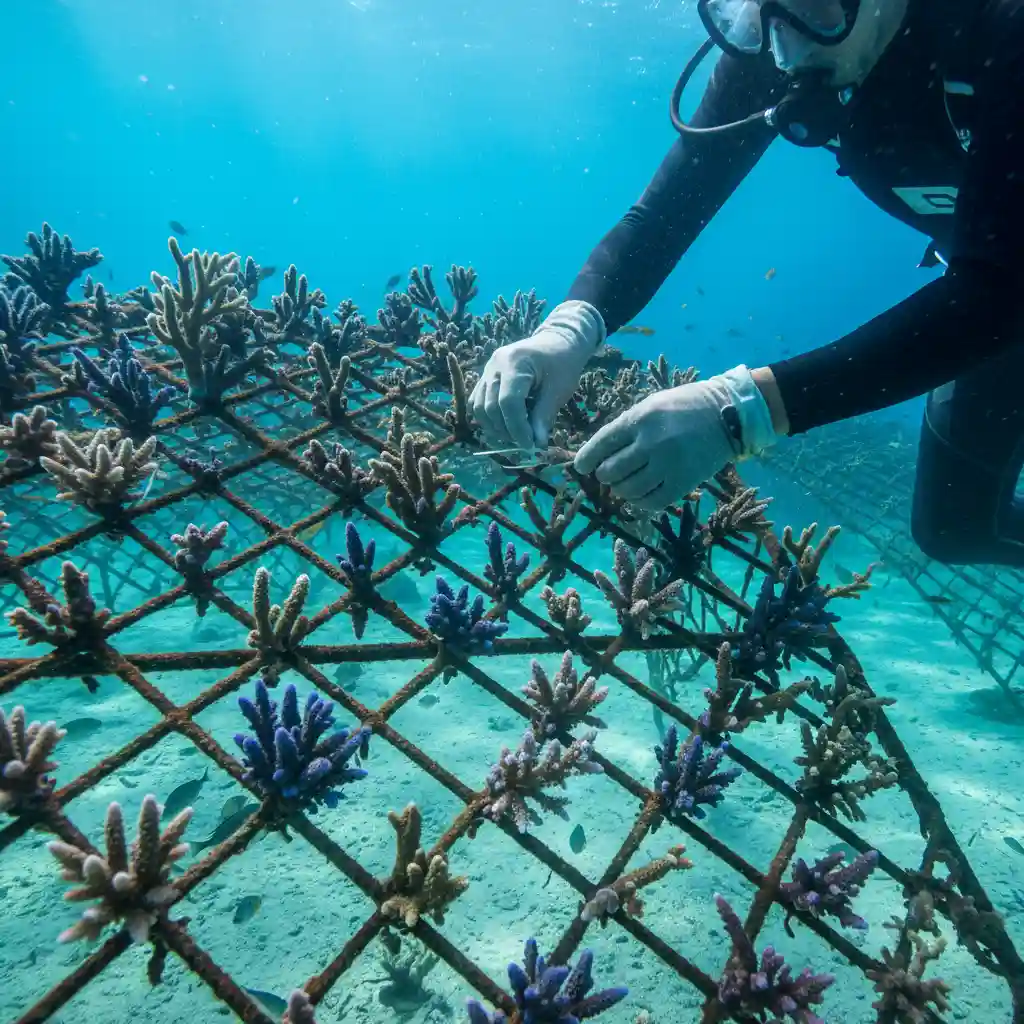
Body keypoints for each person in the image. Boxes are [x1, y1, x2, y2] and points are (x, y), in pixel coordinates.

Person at [469, 0, 1024, 567]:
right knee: (955, 528)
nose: (788, 46)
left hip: (997, 293)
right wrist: (567, 330)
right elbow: (667, 213)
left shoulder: (1003, 30)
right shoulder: (767, 47)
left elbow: (1002, 288)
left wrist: (741, 412)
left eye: (813, 5)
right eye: (759, 10)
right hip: (987, 297)